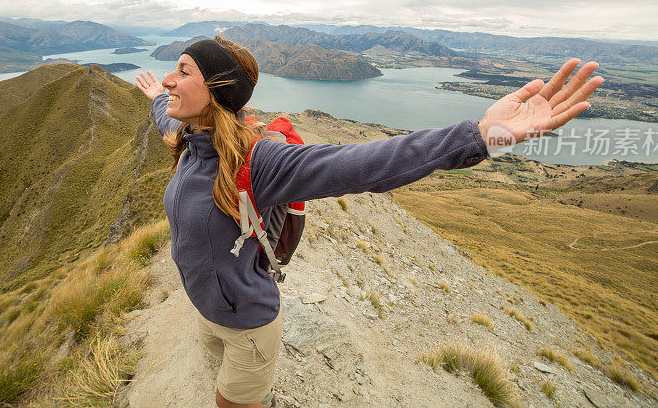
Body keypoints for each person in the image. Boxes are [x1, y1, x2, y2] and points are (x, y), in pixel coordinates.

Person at [135, 36, 603, 408]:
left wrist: (484, 136)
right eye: (172, 72)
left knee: (232, 402)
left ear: (216, 89)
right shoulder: (188, 136)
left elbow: (364, 163)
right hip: (210, 315)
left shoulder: (262, 163)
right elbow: (163, 118)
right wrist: (157, 95)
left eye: (183, 71)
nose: (171, 81)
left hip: (248, 324)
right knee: (217, 366)